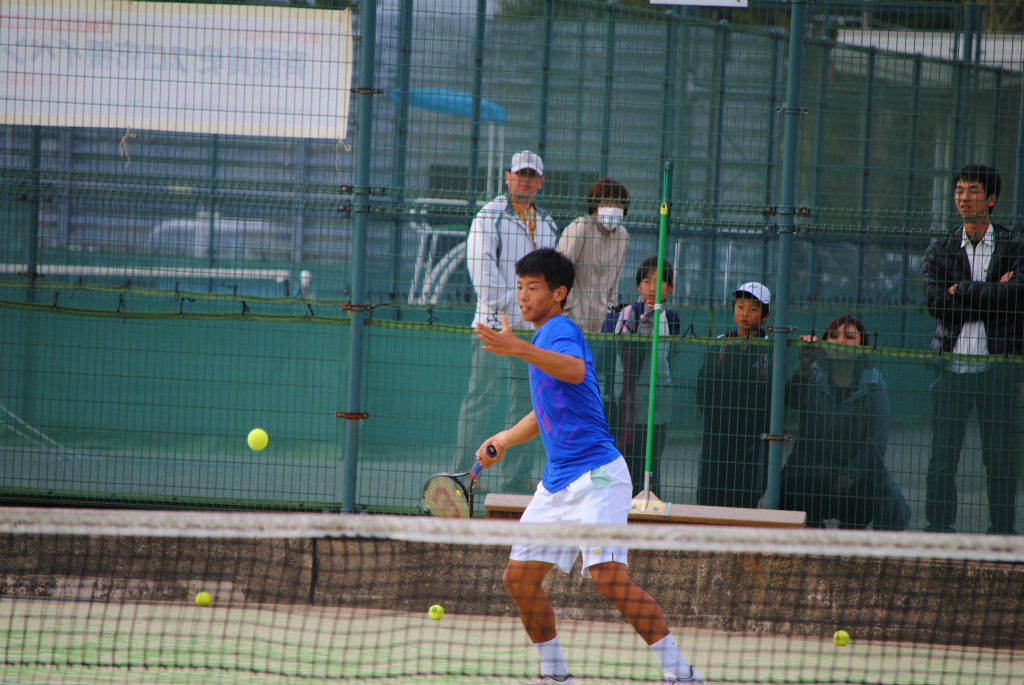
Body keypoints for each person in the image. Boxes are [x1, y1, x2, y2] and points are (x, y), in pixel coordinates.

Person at [473, 248, 707, 685]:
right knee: (519, 579)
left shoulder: (558, 330)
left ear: (558, 293)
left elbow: (575, 370)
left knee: (609, 580)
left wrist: (518, 347)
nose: (523, 296)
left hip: (597, 476)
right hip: (556, 483)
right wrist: (504, 438)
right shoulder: (541, 340)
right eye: (519, 287)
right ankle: (554, 675)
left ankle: (682, 674)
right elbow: (545, 410)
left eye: (533, 288)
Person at [922, 164, 1024, 534]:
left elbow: (1017, 295)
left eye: (972, 191)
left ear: (991, 199)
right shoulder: (941, 248)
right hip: (951, 370)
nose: (963, 198)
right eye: (959, 191)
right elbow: (934, 301)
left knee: (1000, 460)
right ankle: (938, 528)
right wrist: (993, 291)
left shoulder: (1014, 246)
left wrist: (961, 290)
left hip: (998, 371)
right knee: (942, 459)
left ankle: (1001, 533)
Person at [454, 150, 559, 495]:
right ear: (507, 177)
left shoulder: (547, 223)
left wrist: (531, 314)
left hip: (531, 333)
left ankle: (515, 480)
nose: (525, 182)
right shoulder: (489, 216)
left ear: (540, 183)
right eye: (520, 175)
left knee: (527, 406)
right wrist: (520, 307)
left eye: (532, 176)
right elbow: (481, 271)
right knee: (480, 400)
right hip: (493, 328)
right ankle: (464, 479)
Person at [781, 315, 911, 531]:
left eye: (849, 337)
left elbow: (876, 442)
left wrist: (851, 472)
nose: (840, 342)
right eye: (833, 336)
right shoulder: (812, 373)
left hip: (855, 474)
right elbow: (790, 400)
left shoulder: (874, 383)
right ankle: (815, 540)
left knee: (866, 496)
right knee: (790, 490)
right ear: (824, 343)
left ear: (861, 348)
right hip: (811, 471)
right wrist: (803, 368)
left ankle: (850, 542)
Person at [602, 256, 681, 497]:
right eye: (647, 281)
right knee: (624, 469)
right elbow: (619, 358)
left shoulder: (672, 318)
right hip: (625, 407)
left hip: (657, 406)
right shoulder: (627, 314)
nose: (652, 287)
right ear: (638, 285)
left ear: (670, 287)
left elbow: (669, 357)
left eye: (659, 282)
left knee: (651, 468)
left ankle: (649, 510)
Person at [695, 282, 773, 509]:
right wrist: (719, 418)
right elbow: (703, 388)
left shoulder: (771, 351)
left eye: (753, 309)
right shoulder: (720, 345)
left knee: (745, 500)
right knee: (709, 497)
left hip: (752, 442)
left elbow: (771, 397)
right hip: (716, 438)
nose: (745, 314)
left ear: (765, 316)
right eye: (740, 307)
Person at [557, 178, 631, 333]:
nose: (612, 209)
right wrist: (569, 312)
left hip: (602, 323)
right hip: (571, 320)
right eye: (607, 203)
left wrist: (610, 316)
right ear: (595, 207)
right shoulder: (580, 228)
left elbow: (614, 284)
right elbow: (559, 274)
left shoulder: (623, 236)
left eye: (618, 204)